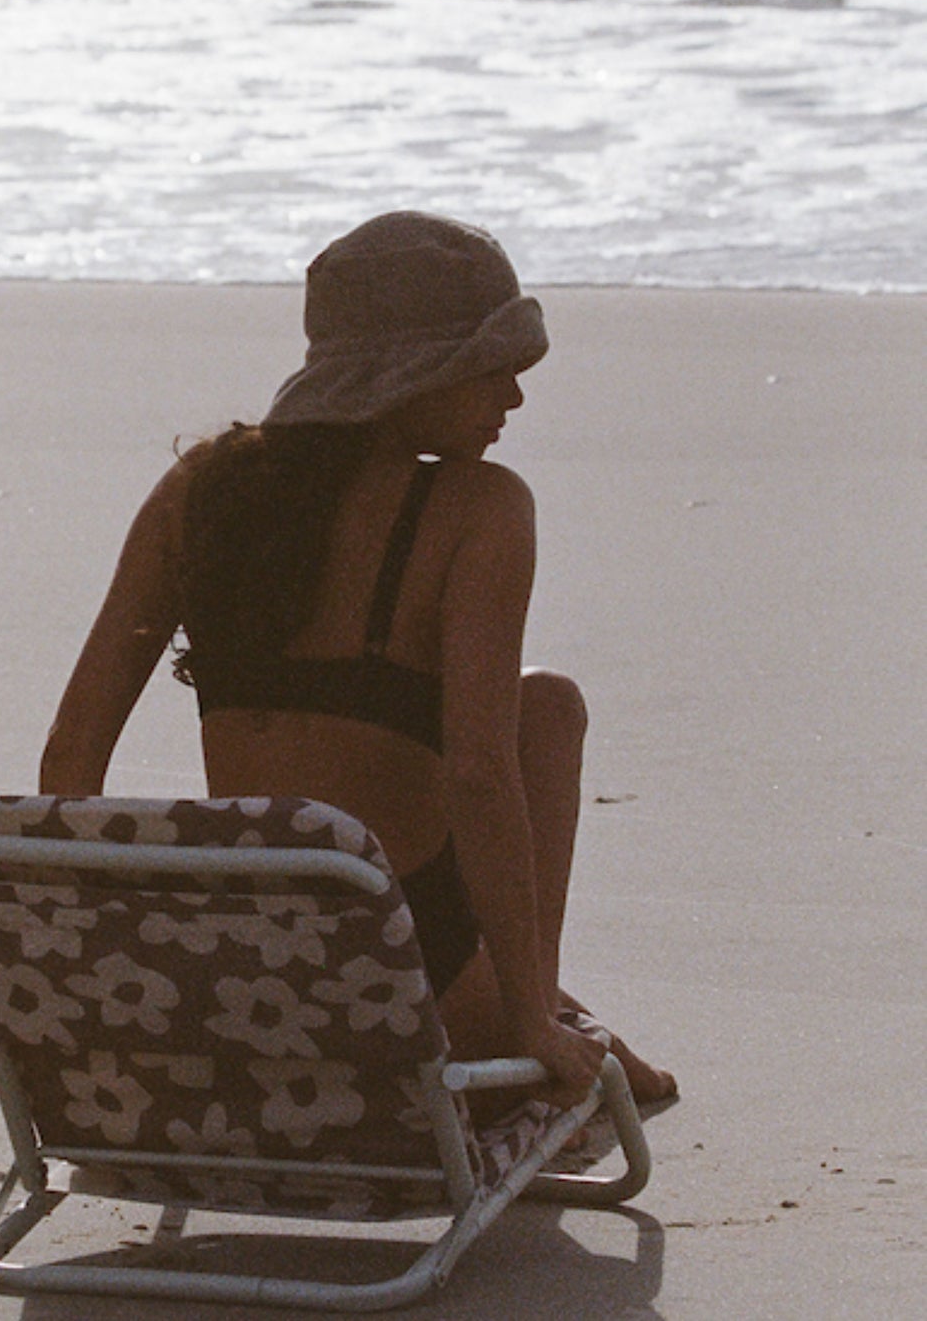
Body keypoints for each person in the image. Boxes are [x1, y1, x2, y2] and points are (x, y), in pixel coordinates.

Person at [39, 211, 675, 1109]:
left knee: (544, 701)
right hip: (401, 971)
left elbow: (71, 751)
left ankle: (546, 1011)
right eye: (493, 368)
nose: (515, 399)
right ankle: (534, 1023)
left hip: (229, 952)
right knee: (538, 724)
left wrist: (94, 982)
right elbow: (482, 779)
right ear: (417, 374)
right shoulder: (479, 511)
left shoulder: (202, 491)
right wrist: (525, 1030)